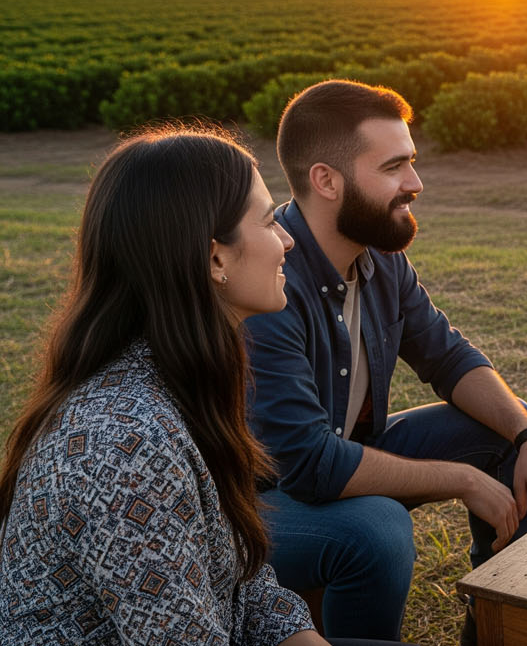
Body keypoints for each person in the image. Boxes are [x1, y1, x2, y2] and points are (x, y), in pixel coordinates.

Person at [244, 80, 527, 641]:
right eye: (394, 167)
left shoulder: (379, 259)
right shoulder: (270, 284)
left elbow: (448, 355)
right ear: (326, 180)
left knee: (496, 434)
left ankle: (502, 629)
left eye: (411, 163)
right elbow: (308, 464)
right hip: (259, 502)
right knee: (378, 528)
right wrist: (459, 479)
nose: (415, 184)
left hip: (343, 454)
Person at [0, 130, 328, 644]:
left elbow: (243, 577)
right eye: (269, 221)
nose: (288, 240)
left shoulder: (179, 379)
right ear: (215, 258)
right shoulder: (125, 445)